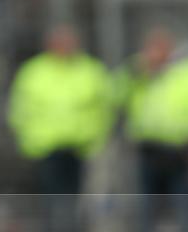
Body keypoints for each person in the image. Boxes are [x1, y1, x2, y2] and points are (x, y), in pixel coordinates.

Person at [115, 26, 188, 232]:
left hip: (182, 150)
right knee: (146, 209)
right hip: (148, 149)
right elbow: (114, 95)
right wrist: (136, 73)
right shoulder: (138, 71)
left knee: (185, 207)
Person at [7, 24, 114, 232]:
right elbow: (19, 110)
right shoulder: (34, 72)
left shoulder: (91, 70)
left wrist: (97, 140)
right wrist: (28, 141)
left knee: (81, 203)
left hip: (82, 148)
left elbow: (105, 108)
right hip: (45, 148)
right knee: (51, 202)